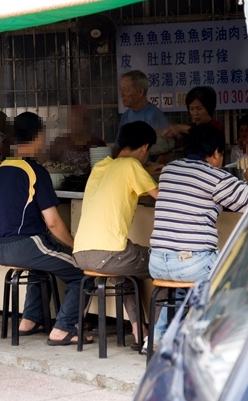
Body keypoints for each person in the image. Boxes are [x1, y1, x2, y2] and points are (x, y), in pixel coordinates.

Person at [148, 124, 248, 349]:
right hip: (191, 264)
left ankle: (159, 337)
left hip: (158, 263)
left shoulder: (170, 169)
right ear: (215, 153)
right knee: (238, 270)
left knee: (181, 286)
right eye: (220, 154)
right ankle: (231, 341)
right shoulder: (216, 177)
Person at [0, 111, 91, 346]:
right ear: (38, 137)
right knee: (84, 271)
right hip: (25, 245)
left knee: (40, 265)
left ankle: (30, 320)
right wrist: (75, 244)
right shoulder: (34, 170)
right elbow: (53, 222)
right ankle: (64, 328)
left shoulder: (3, 167)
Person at [73, 121, 159, 349]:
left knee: (128, 266)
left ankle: (138, 330)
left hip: (81, 253)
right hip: (108, 254)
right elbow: (160, 196)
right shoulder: (132, 165)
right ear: (144, 148)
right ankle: (158, 336)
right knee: (164, 263)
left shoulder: (102, 166)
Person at [117, 70, 173, 159]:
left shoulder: (154, 115)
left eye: (126, 90)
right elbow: (119, 147)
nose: (122, 94)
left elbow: (167, 151)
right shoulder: (125, 116)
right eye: (121, 90)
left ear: (140, 92)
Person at [49, 105, 106, 174]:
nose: (72, 124)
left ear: (86, 123)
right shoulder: (60, 142)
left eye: (76, 120)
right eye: (70, 121)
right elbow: (49, 165)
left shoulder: (98, 144)